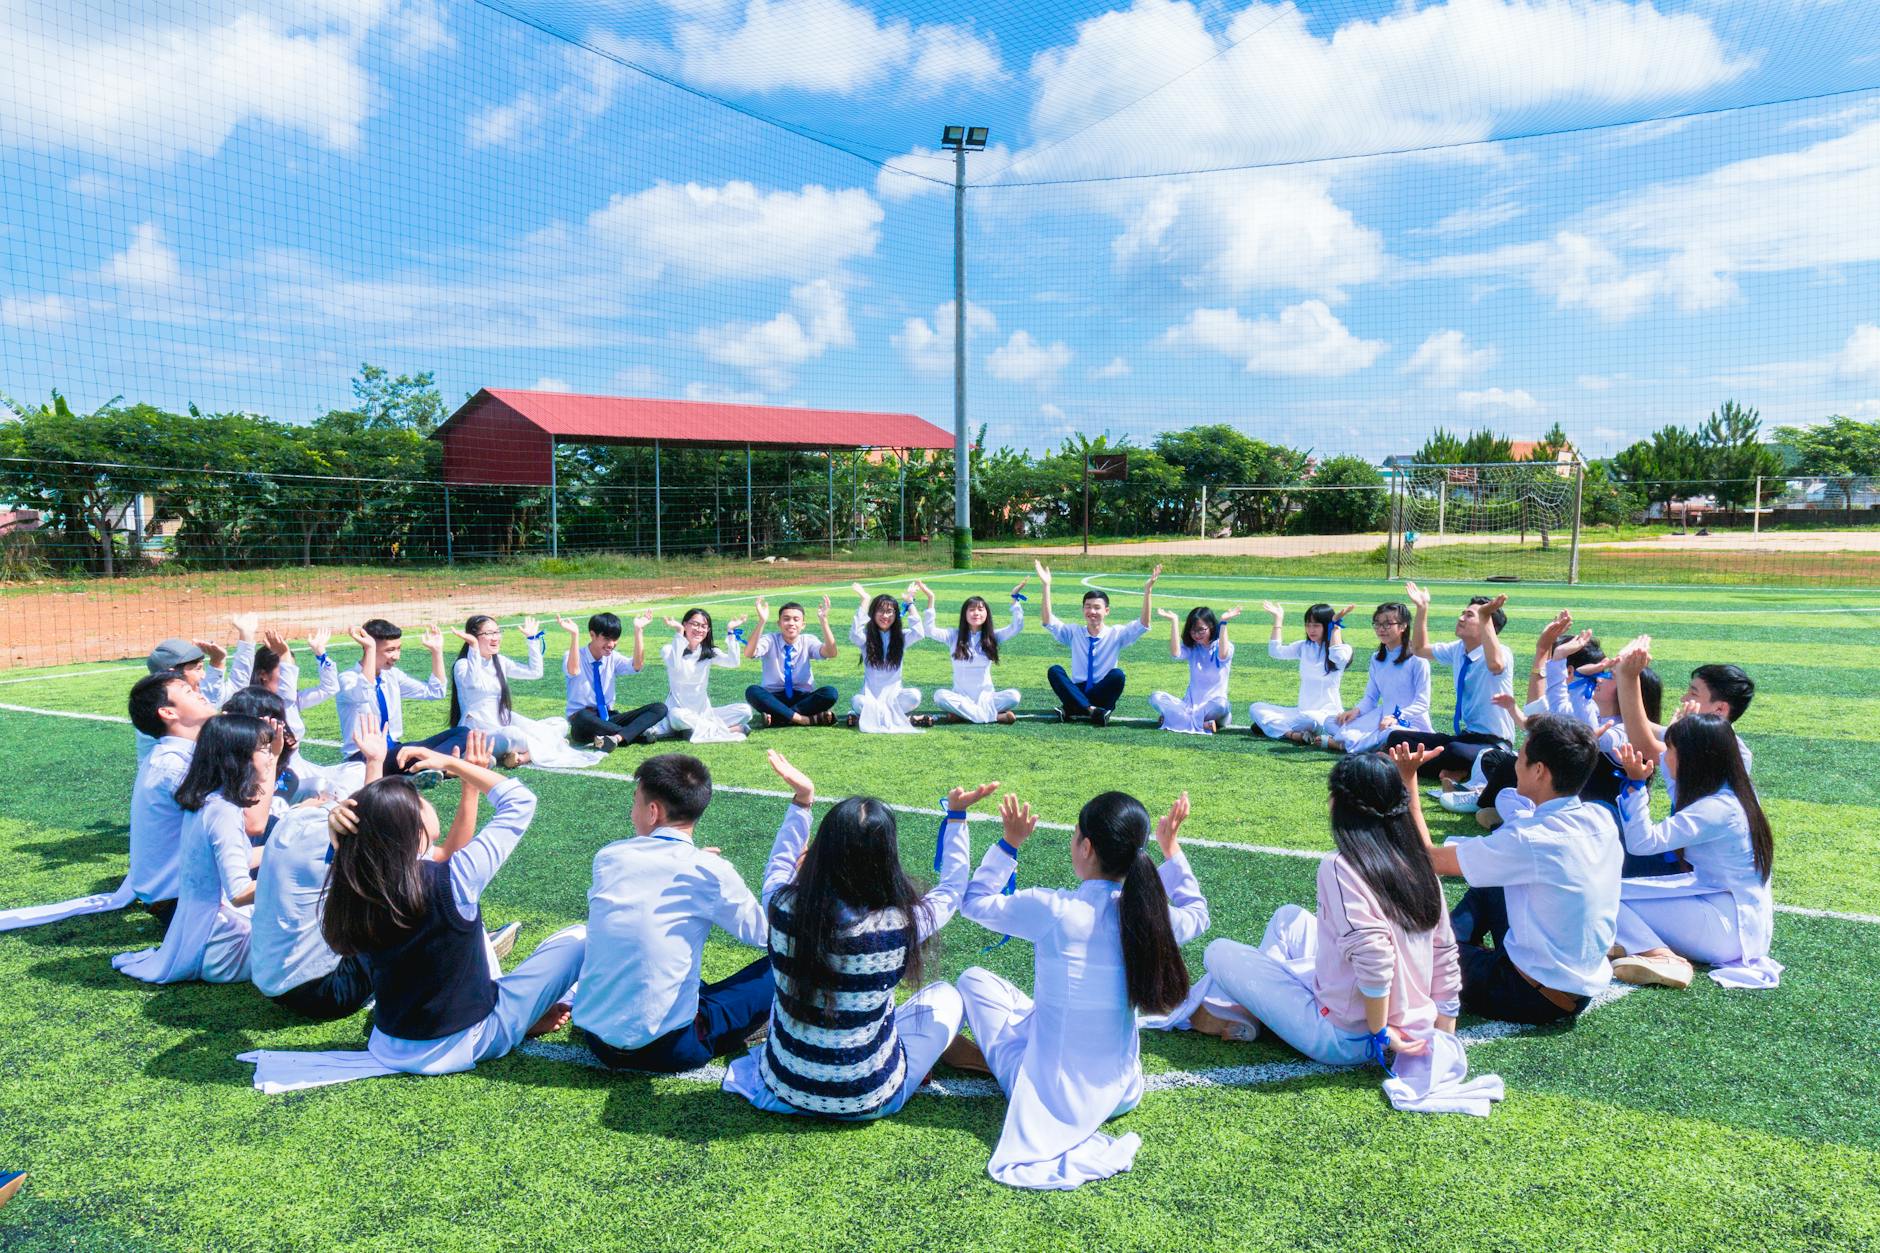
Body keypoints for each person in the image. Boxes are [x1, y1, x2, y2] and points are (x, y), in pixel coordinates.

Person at [948, 788, 1209, 1190]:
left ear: (1086, 847)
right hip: (1123, 1090)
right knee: (1034, 1009)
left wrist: (1009, 843)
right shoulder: (1152, 918)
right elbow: (1198, 914)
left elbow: (973, 901)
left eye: (1074, 836)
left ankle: (997, 1060)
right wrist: (1170, 848)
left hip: (1052, 1098)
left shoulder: (1055, 910)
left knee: (972, 979)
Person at [722, 752, 998, 1119]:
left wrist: (803, 801)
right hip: (871, 1098)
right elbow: (951, 890)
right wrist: (957, 818)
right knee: (947, 996)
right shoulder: (902, 923)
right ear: (887, 858)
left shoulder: (782, 906)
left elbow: (779, 864)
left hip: (783, 1088)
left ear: (822, 850)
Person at [1185, 753, 1460, 1069]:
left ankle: (1249, 1013)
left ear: (1343, 806)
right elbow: (1444, 954)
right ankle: (1251, 1011)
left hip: (1346, 1038)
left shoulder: (1340, 866)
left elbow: (1374, 956)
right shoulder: (1420, 865)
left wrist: (1381, 1032)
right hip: (1399, 1022)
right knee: (1288, 918)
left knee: (1218, 951)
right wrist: (1444, 1037)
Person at [320, 755, 583, 1076]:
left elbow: (358, 844)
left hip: (388, 1042)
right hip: (467, 1040)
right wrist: (453, 764)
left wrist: (339, 828)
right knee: (578, 939)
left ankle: (524, 1012)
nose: (427, 801)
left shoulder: (354, 878)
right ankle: (547, 1014)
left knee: (468, 923)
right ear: (411, 824)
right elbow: (521, 801)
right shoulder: (455, 876)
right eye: (419, 800)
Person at [251, 720, 519, 1020]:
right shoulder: (350, 839)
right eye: (417, 801)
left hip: (269, 979)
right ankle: (460, 955)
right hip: (326, 990)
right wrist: (470, 789)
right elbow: (446, 858)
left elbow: (371, 823)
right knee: (426, 894)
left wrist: (375, 761)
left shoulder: (301, 820)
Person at [1396, 715, 1622, 1026]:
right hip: (1573, 986)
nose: (1515, 762)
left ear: (1540, 770)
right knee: (1490, 881)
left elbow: (1429, 859)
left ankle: (1444, 948)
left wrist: (1408, 778)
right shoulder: (1600, 818)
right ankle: (1456, 943)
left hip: (1531, 994)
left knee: (1414, 955)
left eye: (1522, 757)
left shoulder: (1530, 839)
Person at [573, 754, 773, 1072]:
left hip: (598, 1042)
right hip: (671, 1049)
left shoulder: (609, 856)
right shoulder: (710, 871)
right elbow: (768, 936)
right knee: (782, 965)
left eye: (635, 802)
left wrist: (695, 865)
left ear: (653, 812)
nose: (631, 811)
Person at [0, 669, 216, 934]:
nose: (200, 693)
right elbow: (245, 826)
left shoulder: (177, 756)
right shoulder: (175, 766)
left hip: (181, 895)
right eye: (188, 692)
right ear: (168, 713)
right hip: (185, 904)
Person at [113, 712, 283, 985]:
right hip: (221, 948)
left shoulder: (208, 800)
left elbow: (231, 861)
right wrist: (292, 879)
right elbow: (239, 892)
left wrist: (289, 851)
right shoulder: (224, 812)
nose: (270, 756)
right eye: (263, 749)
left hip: (198, 933)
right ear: (239, 758)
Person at [1610, 718, 1780, 990]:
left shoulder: (1715, 809)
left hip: (1725, 930)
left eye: (1671, 749)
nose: (1664, 755)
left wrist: (1636, 786)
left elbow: (1642, 843)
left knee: (1603, 894)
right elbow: (1731, 748)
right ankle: (1624, 943)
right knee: (1614, 891)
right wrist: (1684, 727)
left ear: (1693, 757)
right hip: (1736, 921)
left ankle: (1662, 957)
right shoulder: (1732, 791)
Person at [1383, 583, 1515, 777]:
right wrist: (1422, 608)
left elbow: (1495, 665)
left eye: (1470, 615)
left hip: (1494, 744)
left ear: (1489, 626)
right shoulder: (1458, 649)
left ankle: (1402, 763)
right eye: (1463, 613)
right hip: (1466, 737)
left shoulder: (1501, 652)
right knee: (1397, 737)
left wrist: (1486, 615)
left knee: (1455, 751)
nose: (1461, 618)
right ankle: (1449, 770)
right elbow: (1420, 650)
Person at [448, 613, 601, 769]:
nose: (495, 637)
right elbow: (474, 683)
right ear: (472, 637)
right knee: (513, 734)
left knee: (560, 724)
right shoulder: (463, 665)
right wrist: (473, 648)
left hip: (503, 719)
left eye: (497, 632)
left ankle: (519, 756)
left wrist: (532, 640)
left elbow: (535, 672)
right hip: (479, 732)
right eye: (488, 633)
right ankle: (534, 749)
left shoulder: (499, 661)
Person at [1036, 559, 1160, 726]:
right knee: (1055, 671)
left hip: (1103, 692)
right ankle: (1092, 711)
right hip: (1078, 689)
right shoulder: (1074, 632)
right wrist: (1046, 586)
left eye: (1097, 607)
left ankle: (1073, 708)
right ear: (1082, 610)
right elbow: (1048, 621)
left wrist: (1148, 591)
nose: (1092, 611)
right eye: (1087, 607)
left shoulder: (1116, 633)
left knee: (1118, 675)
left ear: (1106, 611)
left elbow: (1143, 624)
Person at [335, 619, 470, 773]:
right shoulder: (348, 679)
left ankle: (429, 768)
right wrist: (370, 648)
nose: (396, 656)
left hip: (396, 751)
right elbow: (364, 692)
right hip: (364, 758)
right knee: (411, 751)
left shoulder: (392, 675)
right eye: (390, 650)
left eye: (398, 649)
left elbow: (435, 692)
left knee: (463, 733)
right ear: (368, 648)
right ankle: (438, 767)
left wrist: (436, 652)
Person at [1323, 602, 1432, 754]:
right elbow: (1371, 697)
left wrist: (1396, 716)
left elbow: (1422, 703)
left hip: (1408, 723)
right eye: (1377, 624)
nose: (1381, 629)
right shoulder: (1376, 658)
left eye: (1387, 624)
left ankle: (1344, 744)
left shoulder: (1418, 660)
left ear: (1403, 626)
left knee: (1392, 734)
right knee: (1331, 722)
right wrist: (1356, 711)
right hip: (1382, 718)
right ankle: (1368, 745)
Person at [1247, 601, 1354, 742]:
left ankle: (1272, 727)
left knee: (1310, 719)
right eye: (1308, 625)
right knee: (1256, 708)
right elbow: (1275, 651)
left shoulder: (1344, 649)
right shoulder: (1304, 647)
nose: (1311, 630)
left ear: (1326, 625)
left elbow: (1337, 656)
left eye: (1316, 625)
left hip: (1325, 715)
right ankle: (1293, 735)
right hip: (1300, 711)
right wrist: (1278, 619)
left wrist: (1335, 626)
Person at [926, 581, 1028, 725]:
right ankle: (997, 717)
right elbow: (930, 630)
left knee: (1014, 696)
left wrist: (1015, 599)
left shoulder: (993, 636)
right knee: (939, 696)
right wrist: (931, 599)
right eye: (972, 609)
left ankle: (963, 715)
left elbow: (1017, 627)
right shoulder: (953, 636)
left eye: (980, 609)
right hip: (960, 698)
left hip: (987, 698)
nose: (976, 613)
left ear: (986, 613)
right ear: (965, 614)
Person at [562, 611, 667, 750]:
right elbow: (573, 670)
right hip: (584, 723)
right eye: (606, 638)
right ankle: (634, 733)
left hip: (608, 717)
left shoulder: (613, 657)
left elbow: (637, 666)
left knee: (659, 708)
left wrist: (638, 630)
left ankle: (616, 738)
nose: (611, 644)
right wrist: (575, 635)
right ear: (592, 635)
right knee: (582, 716)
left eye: (615, 639)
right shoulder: (572, 655)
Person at [228, 615, 338, 740]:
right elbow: (286, 695)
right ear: (263, 674)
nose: (290, 676)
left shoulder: (293, 701)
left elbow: (329, 688)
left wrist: (321, 654)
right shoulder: (250, 703)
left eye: (291, 669)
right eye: (284, 670)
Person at [650, 608, 753, 743]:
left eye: (704, 626)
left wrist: (731, 631)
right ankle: (729, 730)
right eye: (695, 624)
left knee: (745, 711)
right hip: (680, 712)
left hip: (705, 714)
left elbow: (733, 662)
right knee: (676, 716)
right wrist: (679, 633)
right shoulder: (669, 649)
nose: (699, 629)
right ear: (685, 624)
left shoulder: (709, 653)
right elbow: (675, 665)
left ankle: (692, 730)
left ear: (708, 630)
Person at [744, 597, 841, 728]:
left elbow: (831, 653)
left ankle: (779, 718)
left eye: (796, 619)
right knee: (752, 691)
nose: (791, 623)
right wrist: (762, 621)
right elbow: (749, 653)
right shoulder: (770, 639)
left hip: (803, 698)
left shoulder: (808, 640)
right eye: (786, 619)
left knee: (830, 693)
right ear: (779, 623)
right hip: (774, 698)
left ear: (803, 624)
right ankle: (804, 720)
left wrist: (824, 621)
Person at [848, 583, 932, 732]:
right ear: (873, 613)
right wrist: (865, 600)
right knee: (857, 701)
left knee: (915, 696)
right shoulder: (866, 639)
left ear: (895, 614)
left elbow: (919, 632)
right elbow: (854, 633)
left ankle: (872, 717)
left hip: (895, 698)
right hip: (870, 698)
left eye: (890, 611)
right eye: (880, 611)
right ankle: (904, 719)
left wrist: (909, 602)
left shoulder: (901, 637)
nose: (885, 616)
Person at [134, 636, 229, 764]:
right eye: (198, 668)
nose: (203, 675)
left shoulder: (164, 701)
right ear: (172, 674)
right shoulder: (172, 764)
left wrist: (218, 661)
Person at [1148, 604, 1240, 734]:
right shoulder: (1192, 648)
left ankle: (1175, 720)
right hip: (1189, 707)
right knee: (1155, 697)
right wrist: (1174, 621)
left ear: (1211, 627)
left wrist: (1223, 622)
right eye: (1193, 631)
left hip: (1214, 707)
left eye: (1201, 630)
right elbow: (1176, 654)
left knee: (1222, 704)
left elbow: (1223, 655)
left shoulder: (1223, 646)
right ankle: (1203, 724)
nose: (1196, 635)